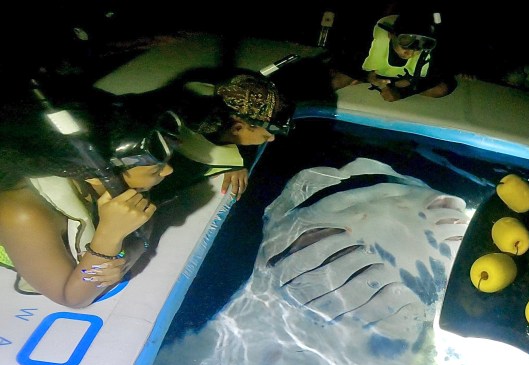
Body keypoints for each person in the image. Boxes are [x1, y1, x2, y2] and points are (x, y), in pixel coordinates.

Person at [0, 94, 176, 308]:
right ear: (96, 177)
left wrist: (125, 255)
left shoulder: (115, 180)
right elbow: (73, 298)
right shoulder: (23, 214)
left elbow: (145, 224)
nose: (169, 170)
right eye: (157, 169)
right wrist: (109, 237)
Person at [134, 70, 294, 204]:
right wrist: (235, 163)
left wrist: (239, 163)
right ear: (237, 128)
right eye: (267, 134)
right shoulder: (184, 165)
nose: (272, 139)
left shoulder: (199, 95)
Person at [327, 11, 456, 102]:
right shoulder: (368, 40)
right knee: (334, 81)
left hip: (402, 78)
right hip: (370, 73)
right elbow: (341, 60)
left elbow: (443, 76)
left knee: (441, 89)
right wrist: (366, 76)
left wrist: (403, 92)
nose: (410, 53)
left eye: (418, 48)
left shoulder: (432, 51)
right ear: (391, 34)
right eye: (405, 44)